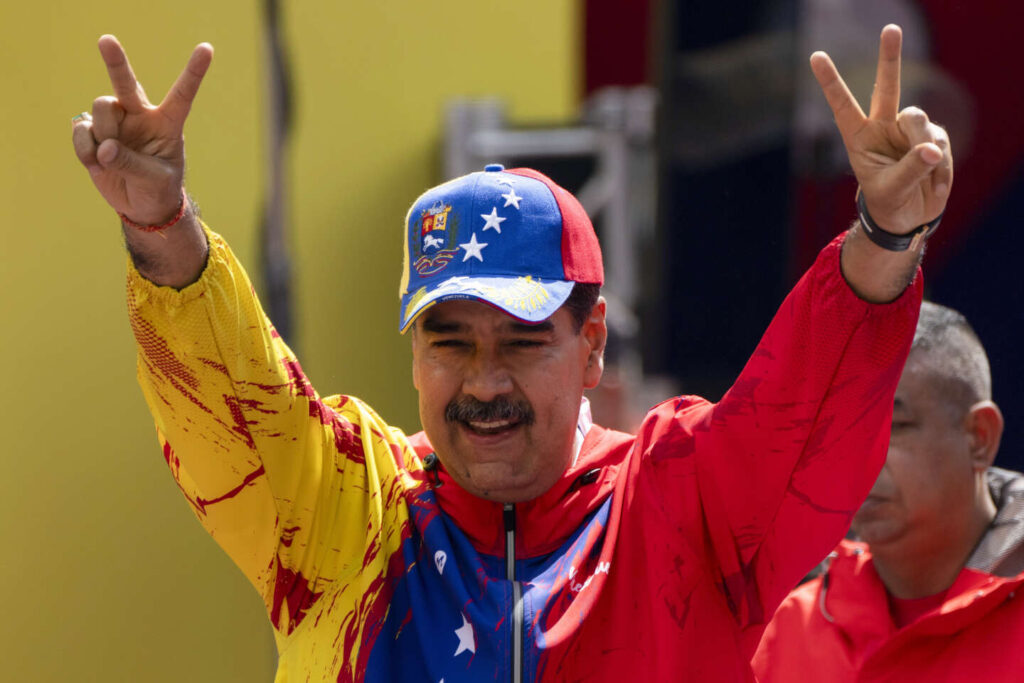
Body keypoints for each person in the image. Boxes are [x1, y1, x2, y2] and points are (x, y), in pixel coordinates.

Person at [71, 24, 951, 682]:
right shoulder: (346, 513)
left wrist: (882, 235)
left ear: (591, 344)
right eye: (448, 341)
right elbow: (235, 398)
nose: (483, 382)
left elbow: (805, 409)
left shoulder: (680, 501)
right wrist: (160, 225)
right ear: (414, 351)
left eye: (522, 341)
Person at [752, 302, 1024, 681]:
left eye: (892, 425)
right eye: (837, 428)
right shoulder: (787, 632)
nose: (854, 454)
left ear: (979, 437)